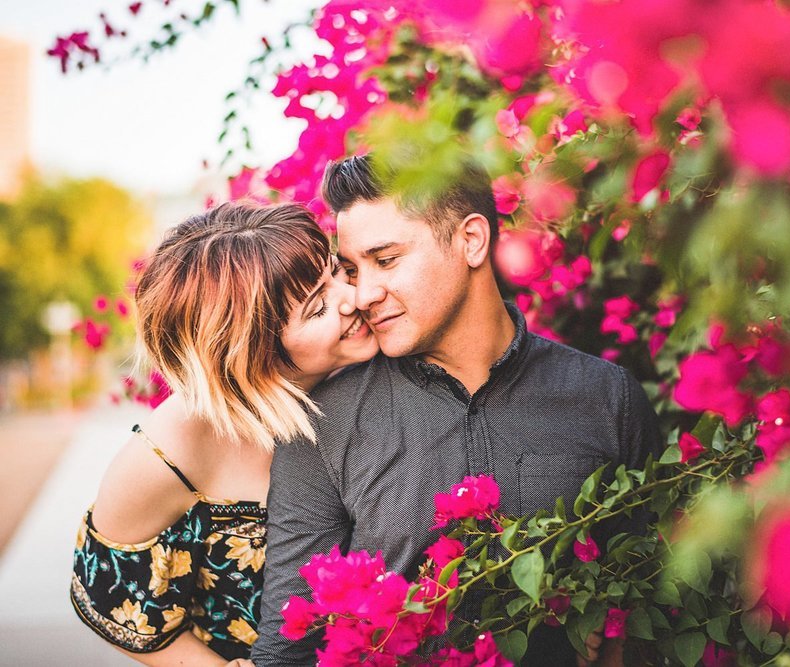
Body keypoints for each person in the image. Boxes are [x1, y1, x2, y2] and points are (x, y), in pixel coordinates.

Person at [252, 153, 662, 666]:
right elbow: (287, 650)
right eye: (353, 269)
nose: (363, 293)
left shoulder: (606, 398)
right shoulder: (324, 427)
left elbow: (647, 598)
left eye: (386, 260)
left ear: (471, 240)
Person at [70, 202, 379, 665]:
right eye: (318, 308)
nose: (352, 298)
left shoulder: (382, 370)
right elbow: (114, 607)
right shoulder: (168, 454)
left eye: (337, 271)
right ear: (251, 352)